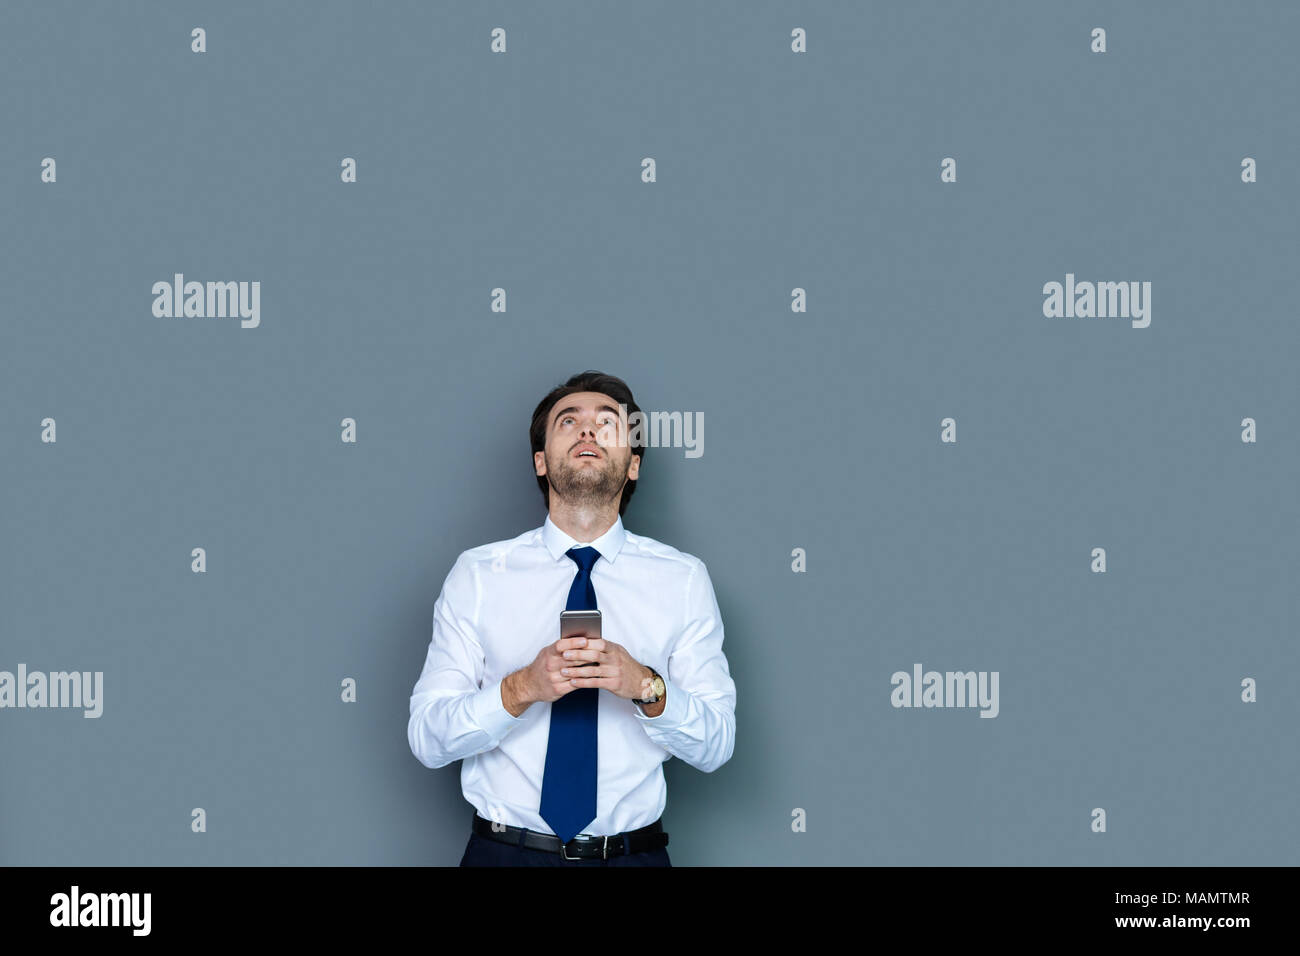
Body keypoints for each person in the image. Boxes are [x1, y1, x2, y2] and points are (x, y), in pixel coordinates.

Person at [407, 370, 736, 866]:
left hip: (632, 856)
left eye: (608, 423)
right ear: (541, 461)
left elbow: (717, 745)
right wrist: (520, 689)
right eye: (568, 421)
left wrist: (646, 685)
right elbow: (428, 739)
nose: (588, 431)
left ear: (633, 466)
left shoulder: (683, 580)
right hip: (505, 854)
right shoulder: (478, 575)